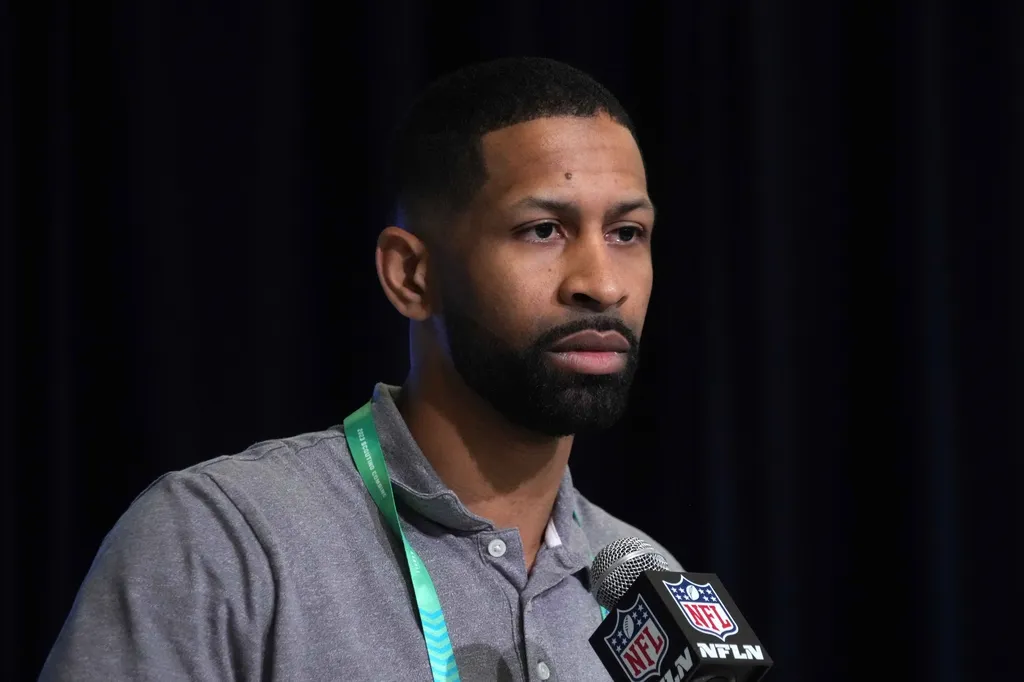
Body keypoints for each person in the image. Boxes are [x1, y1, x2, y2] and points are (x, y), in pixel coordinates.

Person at [39, 56, 681, 682]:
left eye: (626, 233)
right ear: (411, 275)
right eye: (543, 230)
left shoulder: (650, 586)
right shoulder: (223, 541)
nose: (603, 285)